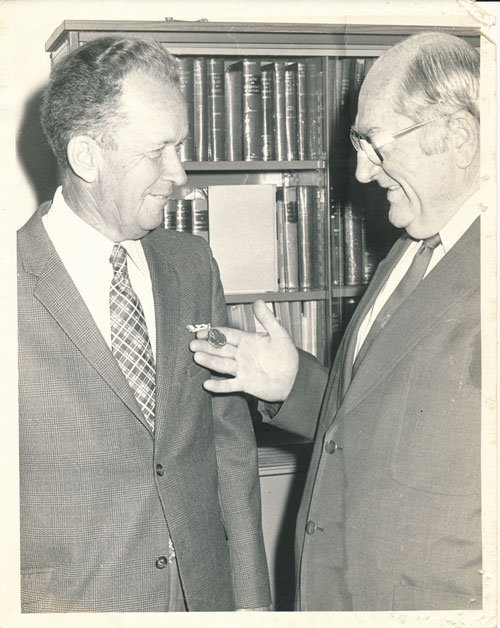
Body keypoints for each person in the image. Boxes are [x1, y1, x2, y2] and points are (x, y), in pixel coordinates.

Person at [191, 32, 482, 611]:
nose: (361, 173)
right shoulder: (407, 249)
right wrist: (292, 384)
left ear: (458, 135)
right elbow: (375, 421)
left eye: (375, 145)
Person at [17, 36, 271, 613]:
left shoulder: (192, 264)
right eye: (158, 151)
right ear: (86, 157)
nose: (178, 174)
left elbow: (231, 449)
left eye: (179, 147)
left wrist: (252, 603)